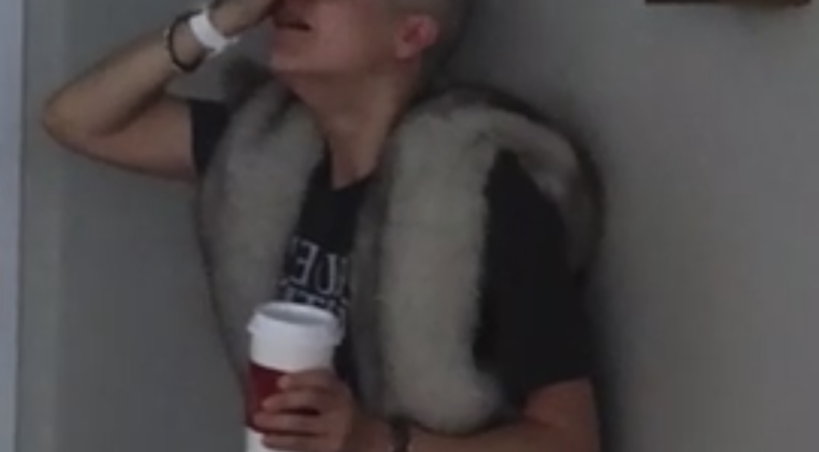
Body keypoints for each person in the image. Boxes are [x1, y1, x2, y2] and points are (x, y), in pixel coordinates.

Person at [42, 0, 603, 451]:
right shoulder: (263, 155)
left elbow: (570, 441)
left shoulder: (477, 193)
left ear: (410, 35)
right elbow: (78, 120)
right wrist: (218, 23)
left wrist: (374, 443)